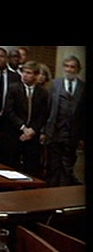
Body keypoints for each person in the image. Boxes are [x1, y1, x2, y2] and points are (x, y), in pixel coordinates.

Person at [43, 55, 85, 186]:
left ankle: (64, 192)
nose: (69, 69)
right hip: (55, 132)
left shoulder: (83, 87)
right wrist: (44, 131)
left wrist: (82, 137)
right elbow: (47, 109)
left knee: (68, 168)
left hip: (73, 135)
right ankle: (51, 192)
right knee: (53, 166)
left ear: (78, 69)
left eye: (72, 67)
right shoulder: (55, 84)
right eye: (67, 66)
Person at [3, 61, 50, 176]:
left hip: (33, 136)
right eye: (23, 72)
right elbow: (9, 111)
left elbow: (43, 115)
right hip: (15, 133)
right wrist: (23, 128)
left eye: (29, 73)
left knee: (31, 168)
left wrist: (32, 130)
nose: (24, 75)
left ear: (36, 75)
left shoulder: (43, 93)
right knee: (11, 167)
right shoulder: (13, 89)